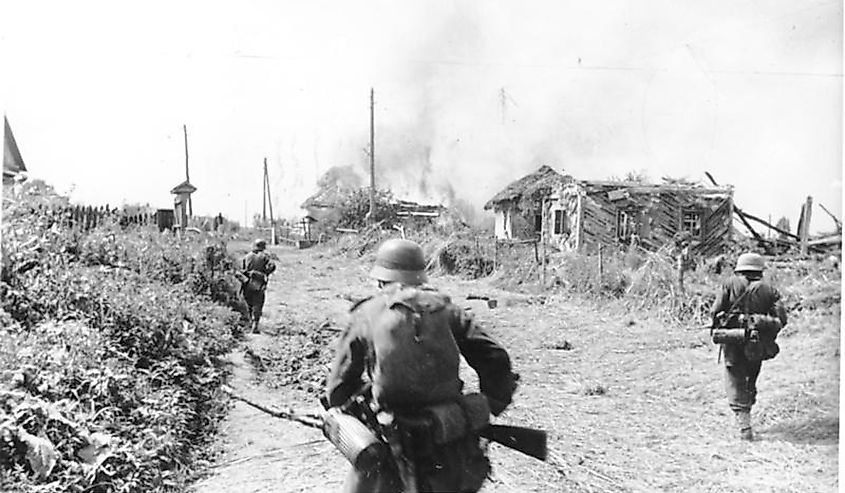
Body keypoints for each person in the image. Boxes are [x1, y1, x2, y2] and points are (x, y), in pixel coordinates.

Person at [325, 238, 518, 493]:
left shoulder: (365, 314)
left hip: (391, 439)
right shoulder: (447, 309)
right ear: (420, 276)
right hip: (447, 435)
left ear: (380, 279)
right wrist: (490, 404)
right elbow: (495, 357)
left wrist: (357, 399)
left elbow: (337, 390)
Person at [710, 252, 787, 441]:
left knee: (735, 376)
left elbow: (716, 310)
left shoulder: (729, 284)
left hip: (733, 340)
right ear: (759, 270)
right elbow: (782, 319)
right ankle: (748, 407)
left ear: (740, 268)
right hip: (757, 341)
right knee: (751, 374)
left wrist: (718, 323)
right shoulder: (769, 289)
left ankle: (744, 425)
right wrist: (760, 322)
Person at [241, 238, 276, 333]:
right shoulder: (265, 257)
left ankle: (250, 322)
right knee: (258, 304)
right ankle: (255, 325)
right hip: (259, 283)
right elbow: (272, 266)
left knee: (249, 304)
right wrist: (265, 273)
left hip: (247, 283)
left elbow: (242, 271)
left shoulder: (247, 256)